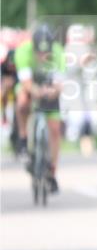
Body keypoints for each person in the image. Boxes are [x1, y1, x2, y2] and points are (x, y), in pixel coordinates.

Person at [13, 24, 65, 193]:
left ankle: (52, 173)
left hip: (48, 85)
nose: (43, 56)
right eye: (39, 52)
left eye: (46, 52)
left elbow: (59, 84)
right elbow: (26, 82)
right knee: (22, 102)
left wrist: (52, 91)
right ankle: (22, 139)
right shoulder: (23, 52)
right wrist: (37, 91)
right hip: (31, 84)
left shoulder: (58, 53)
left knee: (55, 130)